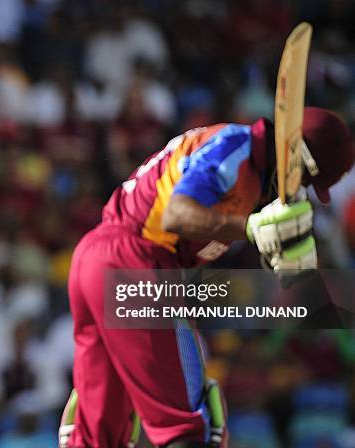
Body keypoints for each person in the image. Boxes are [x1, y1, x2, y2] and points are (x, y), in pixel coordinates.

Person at [59, 107, 354, 448]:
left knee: (100, 436)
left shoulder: (250, 174)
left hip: (102, 263)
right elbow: (177, 214)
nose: (299, 191)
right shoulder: (236, 146)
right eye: (305, 180)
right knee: (188, 426)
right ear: (298, 158)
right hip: (133, 262)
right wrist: (249, 229)